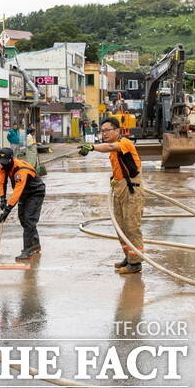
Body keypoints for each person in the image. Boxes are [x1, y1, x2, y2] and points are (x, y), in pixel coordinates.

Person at [78, 117, 144, 274]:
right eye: (102, 131)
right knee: (120, 226)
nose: (104, 134)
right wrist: (114, 179)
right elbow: (119, 167)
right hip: (120, 189)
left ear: (117, 131)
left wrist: (92, 147)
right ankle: (129, 257)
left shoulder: (124, 144)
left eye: (107, 130)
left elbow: (109, 146)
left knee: (131, 226)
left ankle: (136, 262)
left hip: (131, 190)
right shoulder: (114, 151)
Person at [0, 147, 46, 261]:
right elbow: (1, 182)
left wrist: (7, 209)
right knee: (22, 218)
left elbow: (17, 191)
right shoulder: (2, 166)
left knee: (29, 219)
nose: (3, 165)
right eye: (1, 162)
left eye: (5, 162)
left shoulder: (21, 169)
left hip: (35, 192)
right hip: (24, 194)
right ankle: (35, 244)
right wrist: (2, 198)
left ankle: (27, 249)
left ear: (11, 159)